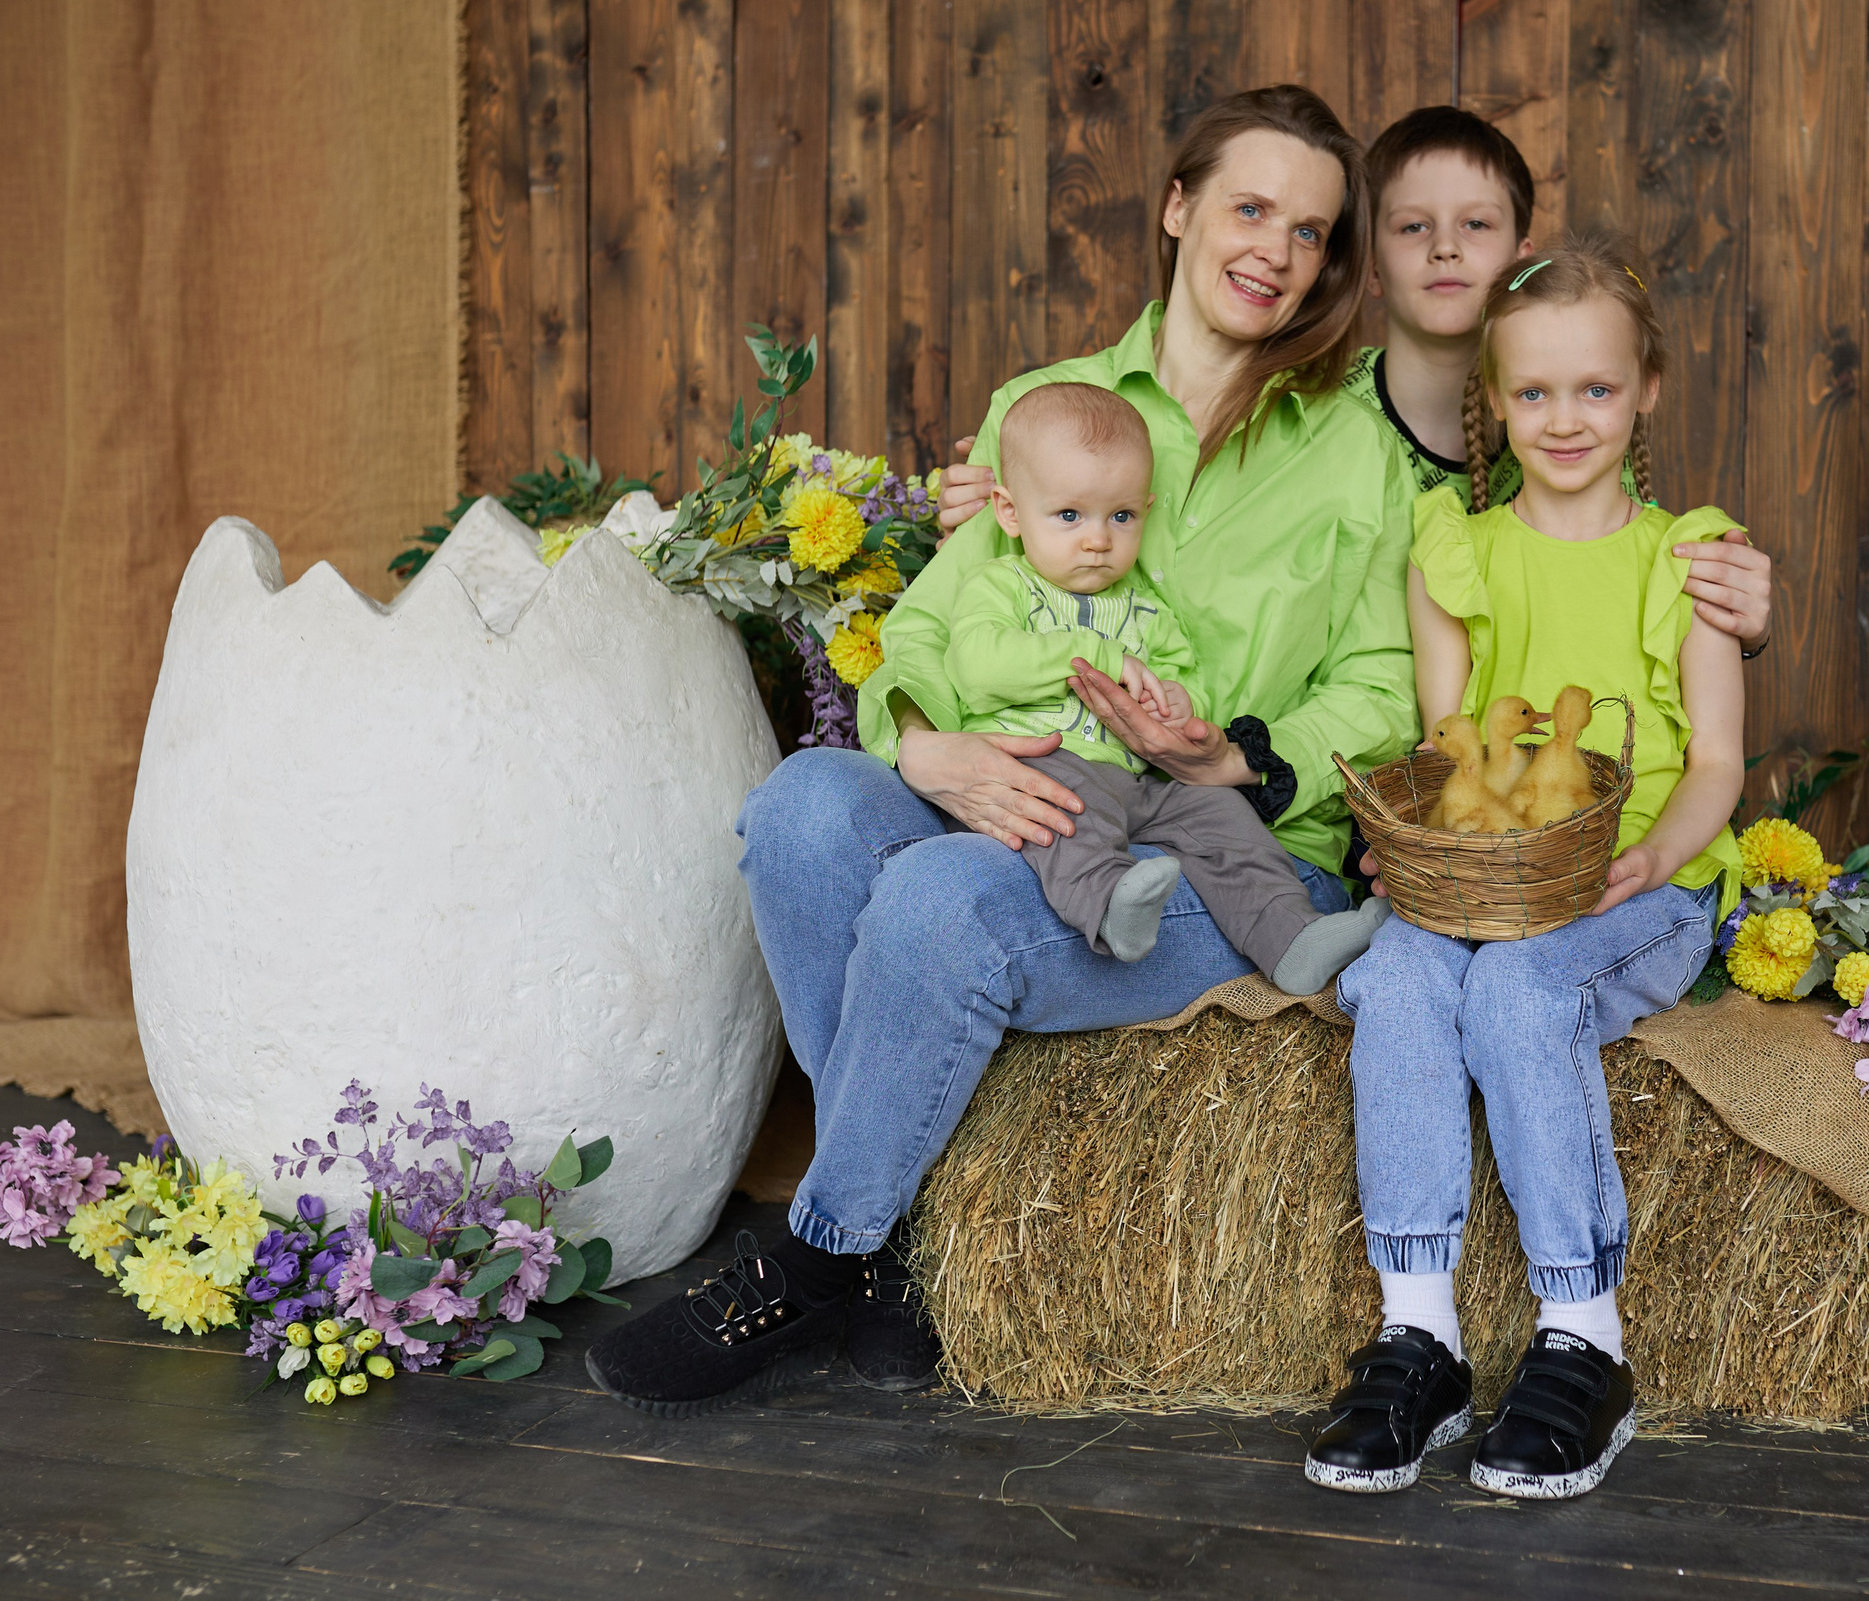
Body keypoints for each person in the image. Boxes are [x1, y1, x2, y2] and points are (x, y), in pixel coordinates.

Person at [584, 84, 1417, 1416]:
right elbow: (933, 623)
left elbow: (1387, 687)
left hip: (1228, 854)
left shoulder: (1363, 457)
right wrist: (927, 748)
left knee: (941, 901)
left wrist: (1231, 752)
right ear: (1178, 207)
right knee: (804, 807)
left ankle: (813, 1255)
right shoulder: (1044, 404)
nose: (1276, 247)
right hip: (1025, 798)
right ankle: (891, 1245)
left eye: (1312, 231)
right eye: (1250, 206)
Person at [1304, 233, 1746, 1501]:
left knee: (1515, 995)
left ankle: (1582, 1336)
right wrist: (1433, 860)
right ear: (1491, 400)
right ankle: (1419, 1330)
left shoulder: (1688, 554)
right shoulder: (1459, 545)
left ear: (1646, 389)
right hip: (1494, 865)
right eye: (1535, 391)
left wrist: (1656, 852)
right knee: (1394, 983)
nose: (1565, 418)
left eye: (1596, 389)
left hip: (1640, 888)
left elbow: (1714, 760)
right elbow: (1452, 750)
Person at [931, 106, 1778, 655]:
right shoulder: (1314, 409)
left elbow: (1614, 594)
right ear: (1368, 268)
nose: (1445, 249)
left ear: (1526, 258)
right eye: (1412, 228)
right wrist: (1030, 506)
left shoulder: (1564, 437)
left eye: (1475, 226)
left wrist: (1729, 621)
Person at [946, 380, 1391, 990]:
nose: (1098, 538)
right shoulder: (1003, 586)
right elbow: (978, 665)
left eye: (1121, 516)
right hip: (1051, 762)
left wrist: (1181, 705)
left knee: (1221, 813)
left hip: (1144, 779)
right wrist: (1093, 653)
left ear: (1145, 511)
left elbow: (1182, 674)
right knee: (1063, 815)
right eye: (1070, 515)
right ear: (1010, 512)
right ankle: (1109, 904)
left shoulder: (1145, 607)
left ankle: (1291, 937)